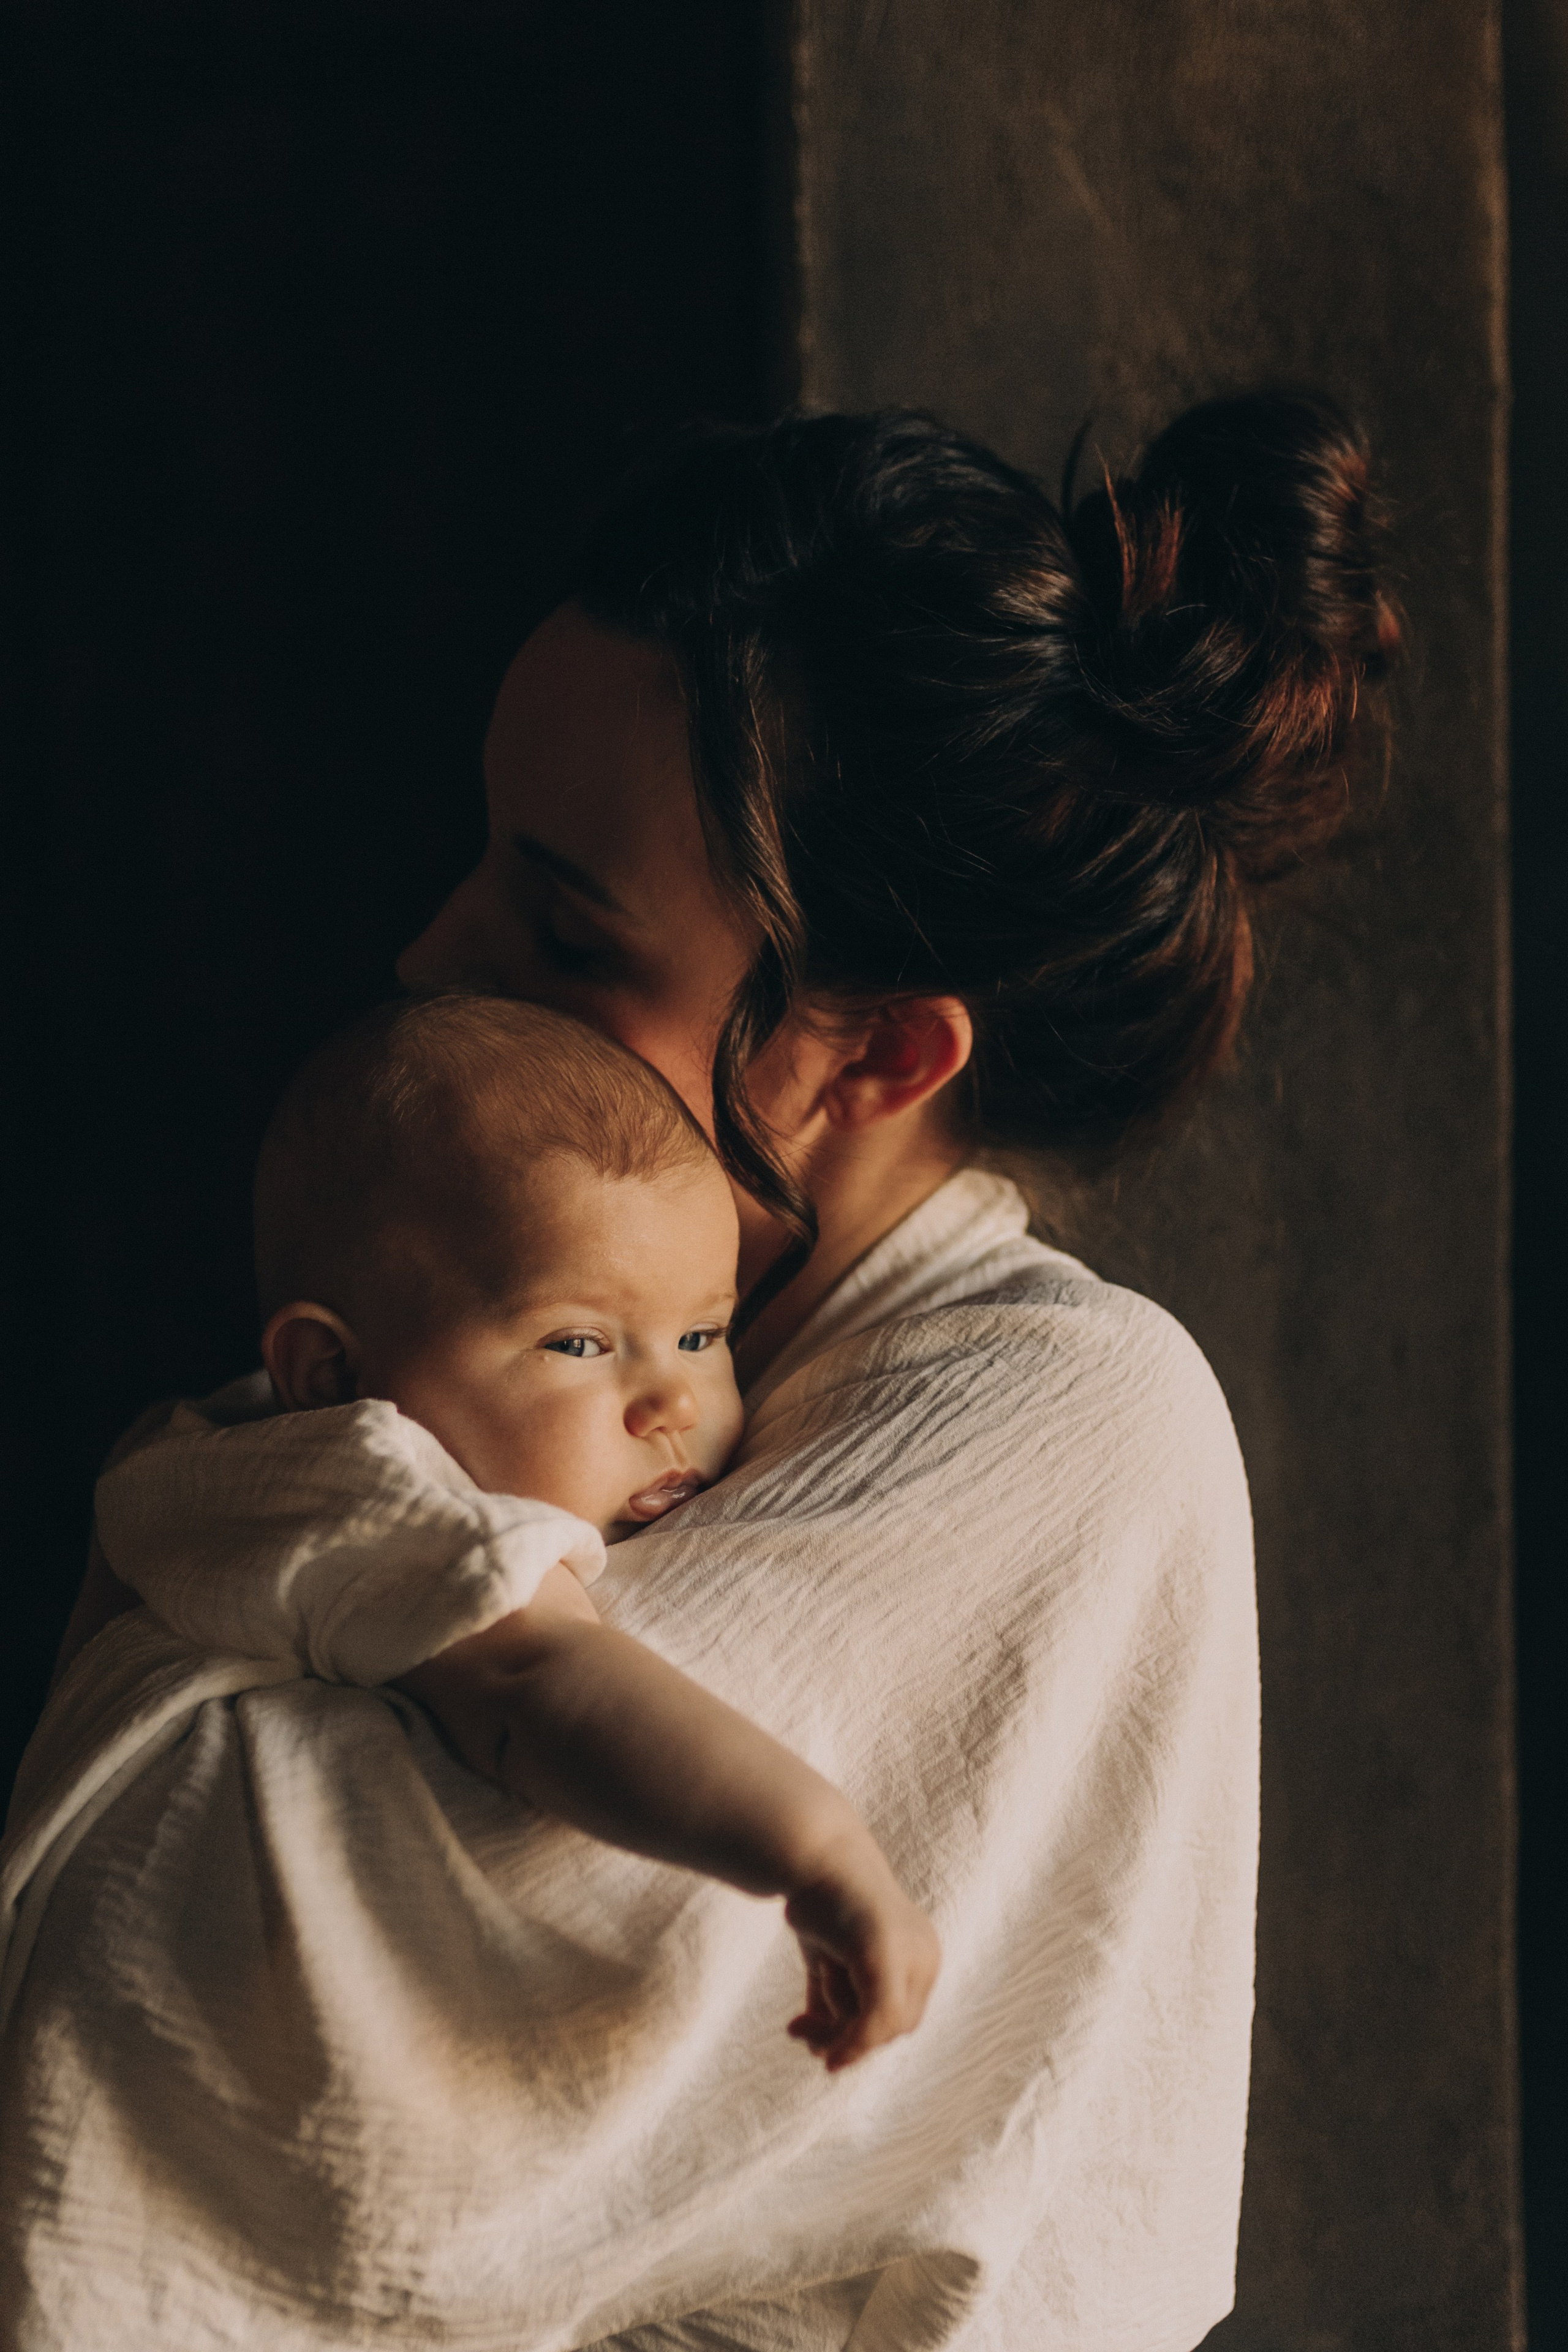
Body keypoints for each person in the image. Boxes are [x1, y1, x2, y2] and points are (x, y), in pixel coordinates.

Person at [1, 394, 1396, 2351]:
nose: (431, 951)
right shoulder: (506, 1341)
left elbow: (203, 1932)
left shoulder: (1069, 1419)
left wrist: (227, 1587)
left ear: (872, 1060)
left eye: (562, 932)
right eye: (482, 859)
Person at [92, 990, 939, 2074]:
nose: (671, 1403)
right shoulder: (354, 1484)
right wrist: (823, 1855)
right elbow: (533, 1680)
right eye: (580, 1345)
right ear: (334, 1376)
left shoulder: (185, 1455)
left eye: (700, 1334)